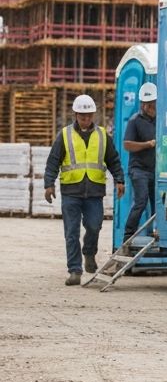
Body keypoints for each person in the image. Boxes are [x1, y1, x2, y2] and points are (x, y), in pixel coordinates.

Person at [43, 94, 125, 285]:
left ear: (93, 115)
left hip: (94, 192)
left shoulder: (103, 135)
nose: (86, 119)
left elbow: (113, 160)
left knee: (94, 226)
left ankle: (89, 253)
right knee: (71, 232)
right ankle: (74, 271)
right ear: (76, 115)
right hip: (71, 191)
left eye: (89, 116)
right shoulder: (64, 135)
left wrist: (119, 180)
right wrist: (48, 184)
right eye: (82, 116)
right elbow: (53, 161)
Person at [122, 82, 158, 248]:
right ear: (142, 104)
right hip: (139, 170)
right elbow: (127, 145)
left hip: (155, 170)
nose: (149, 107)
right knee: (141, 201)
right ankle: (128, 236)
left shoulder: (160, 120)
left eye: (152, 104)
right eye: (147, 105)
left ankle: (156, 232)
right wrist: (147, 144)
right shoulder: (135, 121)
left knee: (158, 203)